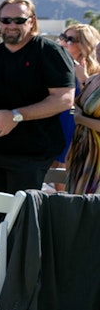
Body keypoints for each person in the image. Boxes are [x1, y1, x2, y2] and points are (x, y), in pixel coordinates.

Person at [0, 0, 75, 206]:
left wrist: (16, 115)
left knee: (23, 219)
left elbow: (64, 99)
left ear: (32, 21)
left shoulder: (50, 52)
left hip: (32, 153)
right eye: (6, 20)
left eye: (19, 20)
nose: (11, 25)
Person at [55, 24, 100, 188]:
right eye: (63, 36)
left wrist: (83, 79)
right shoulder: (61, 66)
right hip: (59, 125)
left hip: (83, 133)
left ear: (84, 44)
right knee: (56, 179)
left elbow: (90, 103)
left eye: (70, 39)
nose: (64, 42)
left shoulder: (93, 73)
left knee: (70, 181)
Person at [67, 60, 100, 194]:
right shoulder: (92, 79)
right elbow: (80, 109)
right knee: (76, 206)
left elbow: (79, 115)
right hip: (81, 152)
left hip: (97, 161)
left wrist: (80, 119)